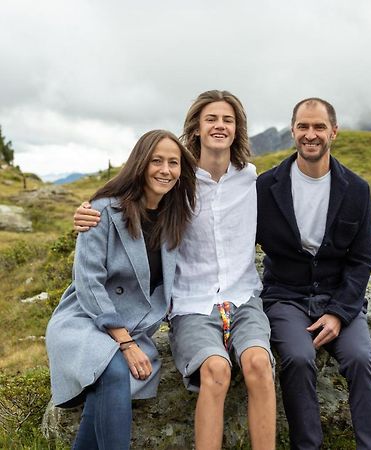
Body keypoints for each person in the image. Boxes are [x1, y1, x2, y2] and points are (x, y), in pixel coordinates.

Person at [73, 90, 276, 450]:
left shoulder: (251, 179)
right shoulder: (178, 182)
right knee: (217, 371)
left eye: (228, 120)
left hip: (244, 297)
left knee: (259, 365)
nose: (219, 125)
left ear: (237, 129)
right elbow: (134, 197)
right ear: (196, 128)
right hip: (192, 303)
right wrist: (89, 212)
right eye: (211, 118)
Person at [256, 98, 371, 450]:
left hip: (338, 298)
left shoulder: (357, 189)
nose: (311, 134)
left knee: (362, 359)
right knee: (299, 359)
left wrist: (338, 312)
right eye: (303, 127)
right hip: (285, 297)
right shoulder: (265, 187)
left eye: (319, 127)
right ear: (293, 131)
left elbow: (362, 260)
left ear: (334, 131)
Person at [46, 130, 197, 450]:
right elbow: (88, 281)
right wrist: (126, 343)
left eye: (173, 162)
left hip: (135, 325)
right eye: (157, 161)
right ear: (140, 164)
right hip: (86, 319)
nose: (165, 170)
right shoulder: (102, 210)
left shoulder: (176, 217)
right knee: (114, 371)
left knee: (109, 386)